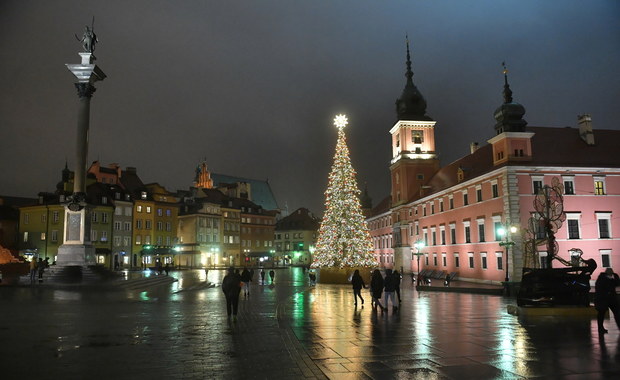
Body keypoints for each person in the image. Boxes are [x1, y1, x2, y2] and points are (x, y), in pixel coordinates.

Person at [594, 268, 620, 334]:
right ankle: (601, 328)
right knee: (602, 314)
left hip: (609, 299)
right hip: (604, 299)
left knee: (615, 313)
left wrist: (615, 276)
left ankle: (601, 328)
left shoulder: (608, 279)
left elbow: (617, 283)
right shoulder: (603, 279)